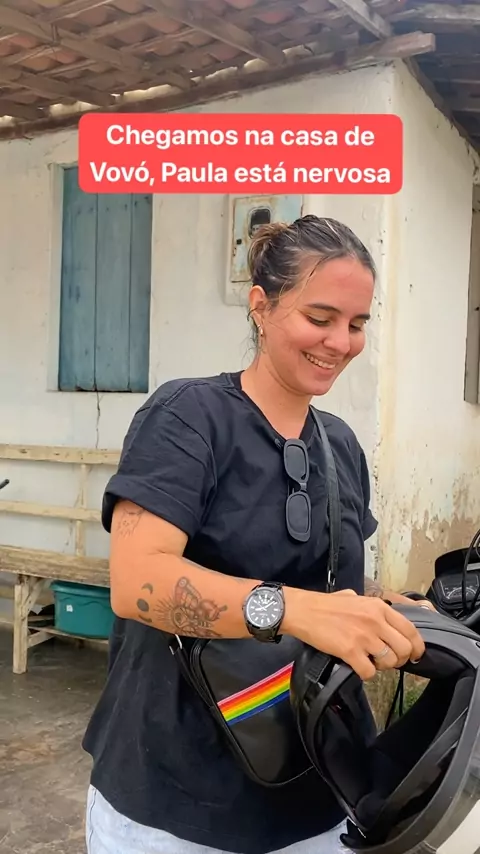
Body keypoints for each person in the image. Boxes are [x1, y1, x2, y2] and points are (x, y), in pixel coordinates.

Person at [82, 215, 432, 854]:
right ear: (262, 307)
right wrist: (294, 610)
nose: (340, 342)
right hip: (176, 804)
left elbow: (331, 588)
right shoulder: (188, 416)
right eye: (320, 317)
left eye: (357, 324)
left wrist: (391, 613)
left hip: (318, 794)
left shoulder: (341, 446)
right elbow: (137, 582)